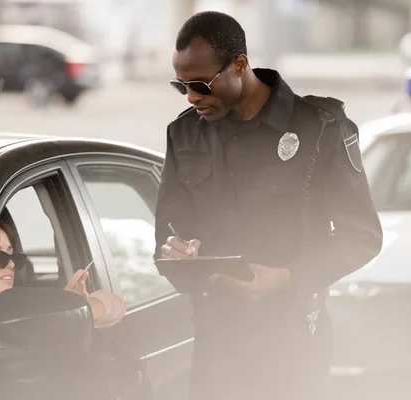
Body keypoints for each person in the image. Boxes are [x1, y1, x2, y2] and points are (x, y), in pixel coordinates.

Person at [154, 11, 383, 400]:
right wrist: (177, 250)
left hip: (293, 341)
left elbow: (361, 236)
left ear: (239, 65)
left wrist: (289, 277)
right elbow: (171, 230)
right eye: (181, 87)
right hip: (216, 340)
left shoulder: (321, 127)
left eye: (200, 84)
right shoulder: (184, 133)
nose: (193, 97)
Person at [0, 208, 126, 334]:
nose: (11, 264)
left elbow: (115, 305)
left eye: (13, 255)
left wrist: (76, 310)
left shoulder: (26, 311)